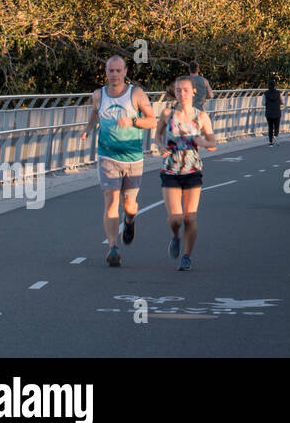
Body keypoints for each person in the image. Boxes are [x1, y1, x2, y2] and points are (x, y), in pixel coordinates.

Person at [81, 55, 156, 267]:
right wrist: (88, 129)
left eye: (118, 71)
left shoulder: (136, 94)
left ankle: (130, 220)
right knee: (111, 200)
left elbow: (152, 121)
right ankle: (113, 246)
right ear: (106, 72)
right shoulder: (99, 95)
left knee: (129, 205)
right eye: (110, 71)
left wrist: (132, 121)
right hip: (107, 155)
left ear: (125, 72)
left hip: (132, 157)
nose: (114, 74)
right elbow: (96, 113)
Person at [156, 75, 217, 271]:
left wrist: (203, 143)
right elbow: (158, 135)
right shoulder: (167, 114)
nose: (181, 93)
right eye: (178, 90)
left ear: (193, 92)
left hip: (192, 170)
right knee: (176, 218)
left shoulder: (201, 117)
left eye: (185, 90)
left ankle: (187, 256)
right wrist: (159, 146)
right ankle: (175, 236)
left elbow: (213, 144)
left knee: (190, 217)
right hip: (170, 169)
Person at [264, 76, 282, 147]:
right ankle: (276, 135)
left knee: (270, 127)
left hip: (268, 112)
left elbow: (263, 103)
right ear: (275, 86)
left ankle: (270, 142)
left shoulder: (265, 93)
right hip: (277, 112)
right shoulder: (278, 93)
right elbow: (282, 101)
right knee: (276, 126)